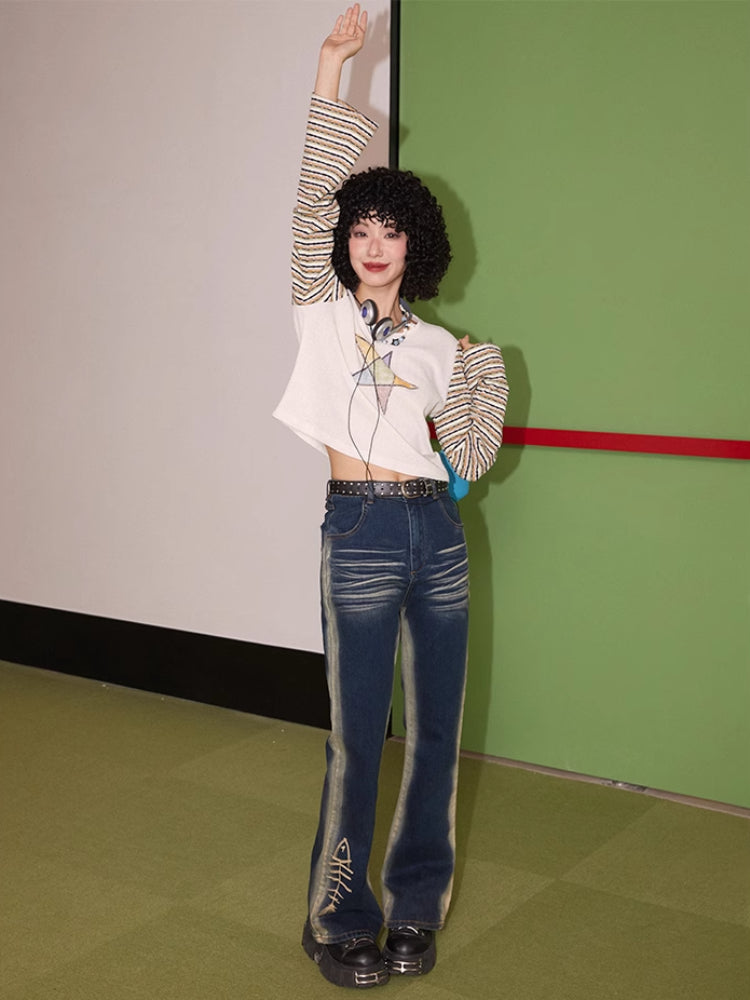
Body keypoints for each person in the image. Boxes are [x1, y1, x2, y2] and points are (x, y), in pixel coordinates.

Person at [273, 5, 509, 989]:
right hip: (362, 529)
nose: (373, 243)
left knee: (436, 737)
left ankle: (415, 909)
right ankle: (337, 919)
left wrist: (482, 379)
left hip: (435, 533)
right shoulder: (322, 314)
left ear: (417, 245)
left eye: (391, 230)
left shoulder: (442, 347)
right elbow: (311, 199)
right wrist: (332, 69)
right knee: (357, 740)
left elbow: (471, 457)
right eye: (360, 229)